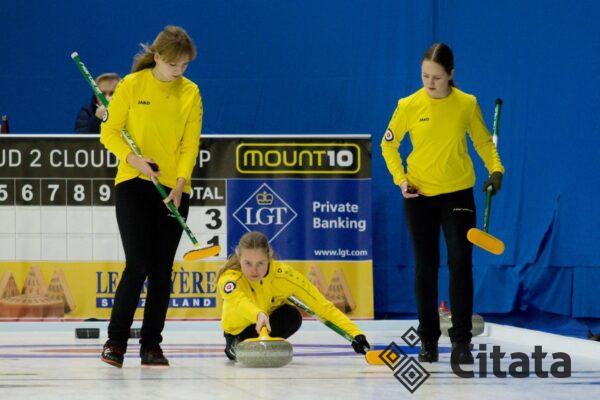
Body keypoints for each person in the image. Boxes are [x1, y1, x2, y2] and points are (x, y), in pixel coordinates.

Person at [381, 43, 504, 365]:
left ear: (451, 74)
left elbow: (483, 141)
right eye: (425, 76)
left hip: (458, 193)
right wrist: (401, 179)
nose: (430, 83)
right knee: (426, 266)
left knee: (460, 263)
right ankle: (428, 341)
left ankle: (461, 341)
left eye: (436, 77)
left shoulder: (466, 104)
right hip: (419, 195)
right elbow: (388, 145)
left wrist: (496, 170)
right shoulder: (408, 105)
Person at [99, 25, 202, 368]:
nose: (179, 71)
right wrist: (135, 160)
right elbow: (109, 133)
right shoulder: (132, 85)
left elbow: (189, 145)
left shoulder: (191, 92)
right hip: (134, 182)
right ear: (157, 56)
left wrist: (180, 184)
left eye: (185, 65)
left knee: (161, 270)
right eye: (174, 64)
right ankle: (115, 342)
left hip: (173, 191)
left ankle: (152, 345)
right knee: (138, 263)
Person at [217, 231, 370, 361]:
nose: (254, 270)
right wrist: (258, 314)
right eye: (248, 263)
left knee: (291, 315)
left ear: (269, 257)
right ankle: (237, 346)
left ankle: (261, 347)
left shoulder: (285, 276)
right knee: (241, 331)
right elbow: (239, 302)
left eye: (260, 263)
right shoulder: (229, 278)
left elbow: (322, 306)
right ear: (239, 257)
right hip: (239, 333)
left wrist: (355, 334)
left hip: (267, 326)